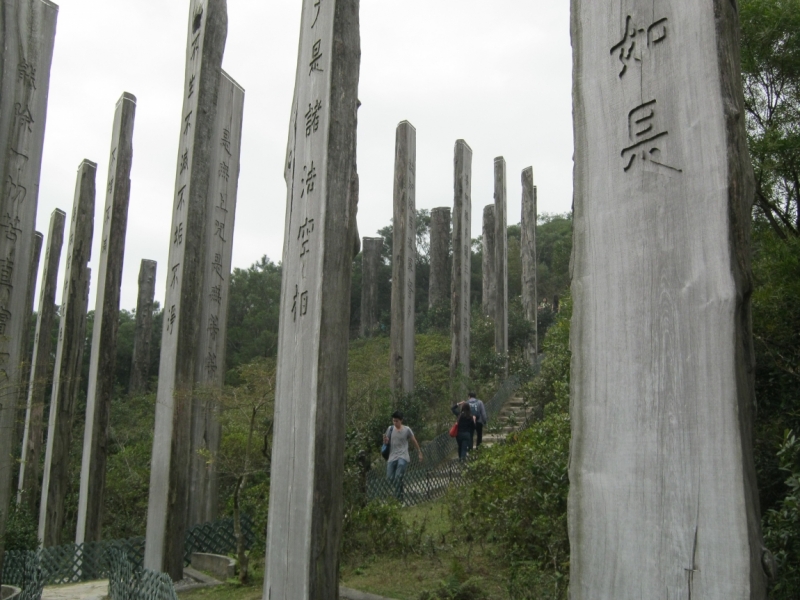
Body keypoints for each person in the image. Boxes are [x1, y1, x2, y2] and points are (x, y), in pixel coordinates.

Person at [383, 411, 423, 501]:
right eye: (394, 421)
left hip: (403, 456)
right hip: (392, 456)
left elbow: (414, 440)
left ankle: (398, 499)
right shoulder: (390, 429)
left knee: (398, 476)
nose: (395, 423)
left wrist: (419, 452)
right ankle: (400, 492)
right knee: (390, 478)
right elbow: (386, 442)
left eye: (397, 421)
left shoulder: (407, 429)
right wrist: (385, 440)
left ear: (401, 420)